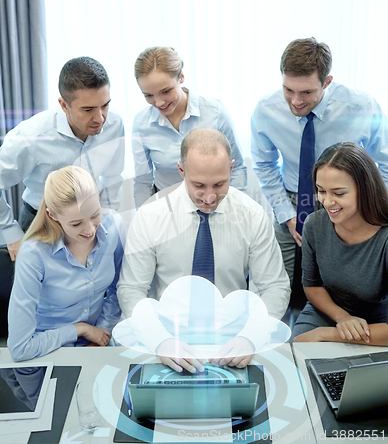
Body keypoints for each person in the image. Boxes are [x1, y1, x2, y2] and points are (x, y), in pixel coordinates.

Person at [117, 128, 290, 371]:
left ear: (231, 169)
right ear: (181, 171)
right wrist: (159, 340)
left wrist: (251, 337)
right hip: (167, 338)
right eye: (198, 185)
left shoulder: (252, 215)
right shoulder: (150, 215)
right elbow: (131, 289)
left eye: (219, 184)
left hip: (233, 342)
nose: (209, 197)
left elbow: (275, 286)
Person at [251, 37, 388, 284]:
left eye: (306, 92)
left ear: (327, 82)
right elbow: (264, 164)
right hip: (293, 200)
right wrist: (286, 214)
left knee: (338, 282)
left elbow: (386, 162)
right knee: (282, 281)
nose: (295, 101)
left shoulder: (361, 107)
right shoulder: (265, 110)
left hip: (348, 202)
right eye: (288, 90)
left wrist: (370, 207)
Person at [0, 56, 125, 261]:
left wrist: (108, 221)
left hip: (91, 221)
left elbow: (113, 176)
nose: (100, 118)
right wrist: (11, 235)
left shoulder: (115, 123)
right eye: (88, 110)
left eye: (105, 105)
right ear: (64, 105)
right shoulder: (30, 137)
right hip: (43, 225)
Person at [7, 166, 124, 362]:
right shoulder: (34, 253)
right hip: (46, 351)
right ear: (52, 215)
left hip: (97, 344)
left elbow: (117, 288)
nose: (90, 230)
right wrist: (80, 330)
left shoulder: (114, 227)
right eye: (76, 223)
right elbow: (20, 349)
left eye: (95, 214)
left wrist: (101, 331)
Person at [291, 143, 388, 345]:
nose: (326, 202)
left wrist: (327, 334)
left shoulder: (385, 237)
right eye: (321, 191)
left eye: (338, 193)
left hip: (379, 325)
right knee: (295, 357)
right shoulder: (314, 225)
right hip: (326, 311)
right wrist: (342, 318)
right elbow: (312, 286)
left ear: (365, 189)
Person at [132, 46, 247, 207]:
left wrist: (237, 210)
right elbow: (143, 182)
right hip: (169, 211)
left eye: (165, 91)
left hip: (216, 206)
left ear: (181, 77)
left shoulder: (215, 112)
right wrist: (142, 220)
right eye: (149, 95)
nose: (158, 102)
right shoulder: (141, 124)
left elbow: (237, 167)